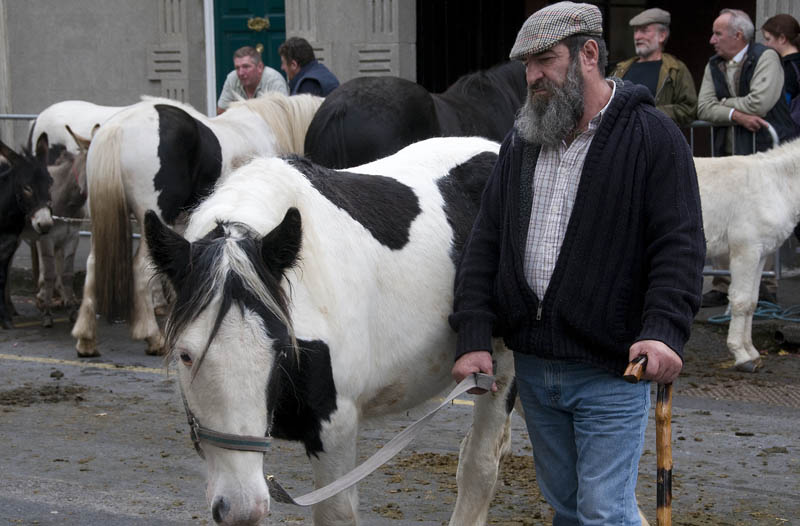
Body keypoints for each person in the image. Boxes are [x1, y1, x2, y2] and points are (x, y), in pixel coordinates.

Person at [449, 2, 705, 525]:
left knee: (603, 511)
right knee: (567, 507)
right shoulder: (522, 142)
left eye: (545, 60)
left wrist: (663, 331)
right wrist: (474, 336)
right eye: (526, 65)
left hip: (612, 371)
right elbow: (485, 245)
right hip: (537, 372)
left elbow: (678, 247)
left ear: (588, 54)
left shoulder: (654, 139)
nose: (533, 76)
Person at [697, 9, 796, 307]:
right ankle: (723, 282)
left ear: (738, 36)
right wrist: (736, 113)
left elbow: (761, 102)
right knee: (726, 217)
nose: (712, 40)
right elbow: (702, 107)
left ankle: (763, 283)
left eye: (718, 33)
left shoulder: (766, 57)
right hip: (729, 150)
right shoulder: (714, 64)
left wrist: (723, 105)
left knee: (760, 222)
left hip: (765, 152)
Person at [611, 7, 697, 127]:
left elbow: (689, 109)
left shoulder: (675, 69)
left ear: (662, 35)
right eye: (636, 31)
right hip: (621, 141)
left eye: (644, 31)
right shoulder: (621, 68)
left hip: (655, 141)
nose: (637, 37)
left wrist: (650, 113)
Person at [216, 46, 288, 114]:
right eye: (237, 68)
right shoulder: (232, 78)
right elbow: (221, 111)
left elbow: (281, 114)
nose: (240, 73)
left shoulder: (274, 80)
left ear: (260, 67)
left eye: (246, 67)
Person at [762, 14, 800, 117]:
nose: (765, 44)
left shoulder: (788, 68)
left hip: (790, 129)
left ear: (782, 38)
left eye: (768, 39)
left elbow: (781, 107)